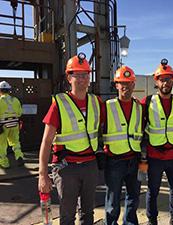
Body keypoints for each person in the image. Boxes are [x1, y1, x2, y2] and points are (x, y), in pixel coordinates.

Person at [38, 53, 102, 225]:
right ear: (69, 77)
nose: (81, 79)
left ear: (89, 77)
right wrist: (43, 175)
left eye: (85, 75)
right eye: (77, 75)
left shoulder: (96, 102)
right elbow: (46, 141)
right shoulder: (59, 104)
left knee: (88, 214)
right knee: (67, 217)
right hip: (67, 169)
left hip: (90, 165)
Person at [141, 59, 173, 225]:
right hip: (154, 156)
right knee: (153, 190)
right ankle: (152, 220)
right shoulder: (147, 102)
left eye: (169, 79)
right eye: (162, 79)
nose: (165, 83)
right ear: (156, 81)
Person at [102, 65, 143, 225]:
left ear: (134, 85)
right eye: (122, 83)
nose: (125, 86)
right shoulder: (107, 106)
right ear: (116, 85)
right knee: (112, 201)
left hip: (135, 159)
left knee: (133, 198)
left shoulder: (140, 107)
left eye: (129, 83)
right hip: (114, 160)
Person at [0, 81, 24, 168]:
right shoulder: (15, 100)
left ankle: (4, 163)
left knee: (1, 145)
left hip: (2, 126)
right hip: (14, 124)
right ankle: (19, 156)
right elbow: (20, 113)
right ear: (9, 90)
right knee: (15, 142)